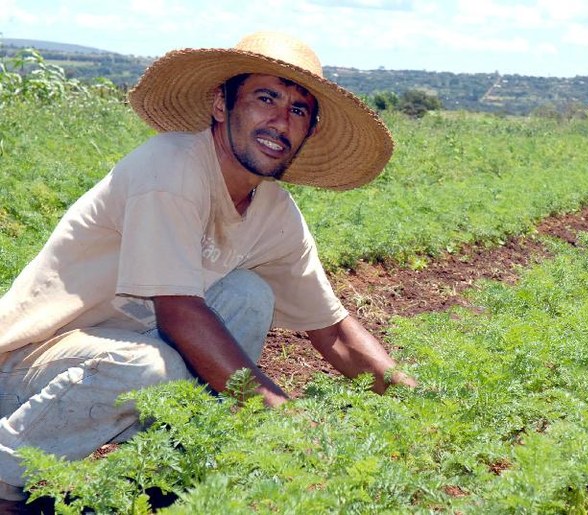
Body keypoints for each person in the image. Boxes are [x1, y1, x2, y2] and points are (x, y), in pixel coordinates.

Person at [0, 31, 415, 504]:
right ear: (222, 104)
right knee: (153, 368)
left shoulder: (274, 211)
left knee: (248, 295)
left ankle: (164, 478)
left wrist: (420, 402)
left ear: (308, 132)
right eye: (266, 98)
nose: (281, 121)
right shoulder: (172, 166)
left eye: (299, 110)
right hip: (27, 366)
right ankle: (6, 480)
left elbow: (333, 331)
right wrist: (276, 412)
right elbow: (179, 312)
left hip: (114, 371)